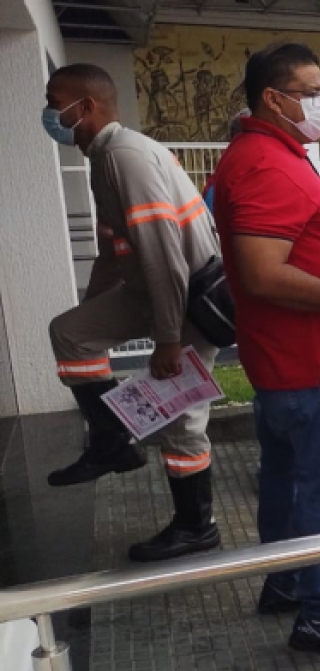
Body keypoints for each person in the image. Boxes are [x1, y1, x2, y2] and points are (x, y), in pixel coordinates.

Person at [209, 42, 320, 655]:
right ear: (274, 98)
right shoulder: (265, 163)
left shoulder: (271, 155)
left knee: (289, 479)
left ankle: (288, 580)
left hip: (291, 359)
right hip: (310, 363)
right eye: (312, 91)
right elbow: (264, 274)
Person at [43, 64, 222, 563]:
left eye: (55, 102)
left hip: (185, 299)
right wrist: (94, 306)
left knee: (181, 421)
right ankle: (111, 442)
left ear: (88, 106)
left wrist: (166, 338)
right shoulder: (105, 158)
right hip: (152, 291)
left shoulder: (126, 156)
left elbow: (163, 251)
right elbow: (116, 249)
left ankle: (196, 525)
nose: (50, 113)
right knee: (71, 333)